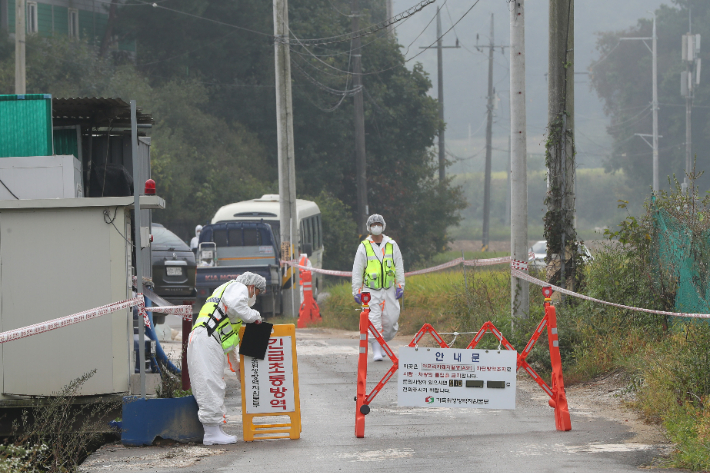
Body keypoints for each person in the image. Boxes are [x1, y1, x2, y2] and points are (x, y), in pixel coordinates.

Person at [187, 271, 265, 445]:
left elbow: (229, 344)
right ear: (252, 287)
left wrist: (237, 367)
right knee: (210, 384)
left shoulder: (227, 300)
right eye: (257, 294)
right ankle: (212, 433)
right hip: (206, 338)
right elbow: (239, 304)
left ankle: (215, 430)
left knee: (210, 383)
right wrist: (255, 317)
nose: (254, 299)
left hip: (204, 338)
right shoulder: (238, 287)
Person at [351, 214, 405, 361]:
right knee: (373, 319)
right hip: (370, 290)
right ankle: (376, 349)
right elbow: (357, 270)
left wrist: (400, 285)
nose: (376, 226)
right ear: (369, 227)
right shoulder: (364, 246)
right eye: (373, 224)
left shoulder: (392, 245)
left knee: (390, 320)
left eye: (378, 224)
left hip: (388, 289)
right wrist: (356, 290)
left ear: (383, 226)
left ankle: (381, 344)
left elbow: (399, 266)